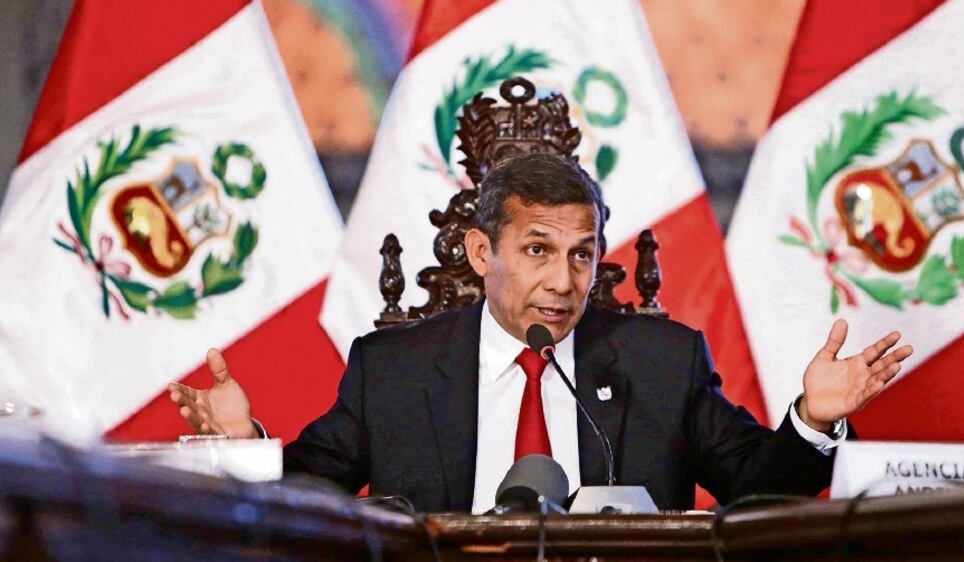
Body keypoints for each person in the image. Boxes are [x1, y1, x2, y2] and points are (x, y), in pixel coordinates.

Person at [169, 153, 912, 512]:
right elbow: (310, 491)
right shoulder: (391, 370)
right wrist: (246, 444)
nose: (564, 280)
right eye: (537, 251)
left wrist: (815, 418)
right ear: (481, 253)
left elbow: (757, 488)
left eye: (582, 254)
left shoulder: (662, 361)